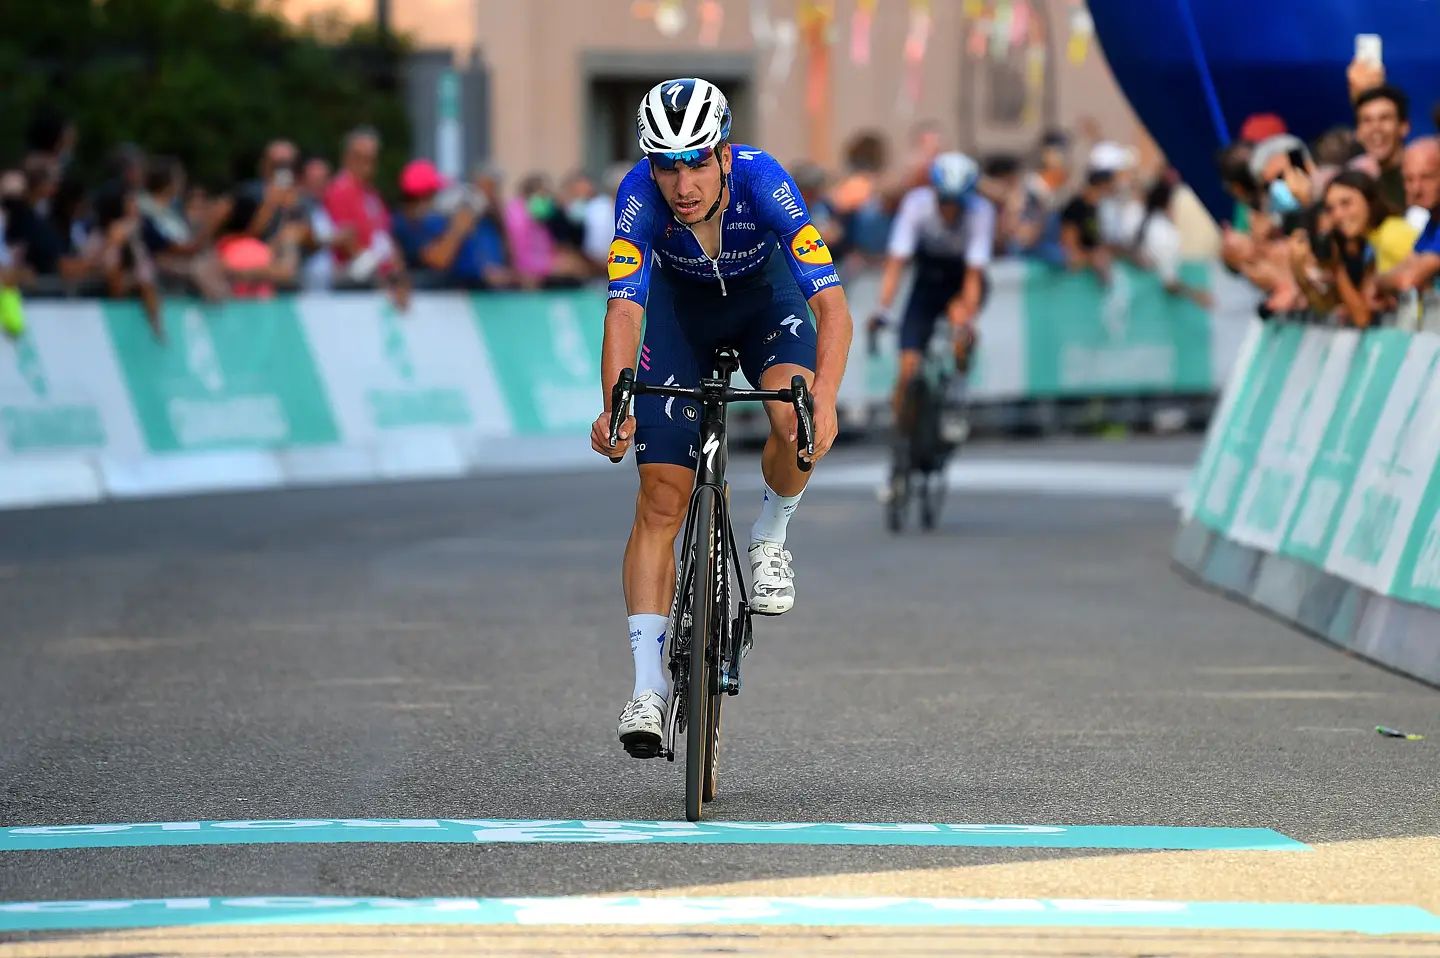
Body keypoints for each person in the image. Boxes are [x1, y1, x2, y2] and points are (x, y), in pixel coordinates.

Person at [588, 78, 852, 757]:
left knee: (795, 416)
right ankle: (648, 688)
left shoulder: (767, 181)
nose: (682, 183)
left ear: (724, 155)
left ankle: (769, 536)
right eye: (666, 165)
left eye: (697, 161)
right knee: (659, 500)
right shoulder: (637, 199)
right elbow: (624, 308)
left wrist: (824, 393)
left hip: (767, 304)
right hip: (681, 319)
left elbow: (832, 307)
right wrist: (615, 400)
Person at [872, 152, 994, 426]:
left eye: (957, 202)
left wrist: (968, 319)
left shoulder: (981, 211)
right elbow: (896, 263)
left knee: (959, 322)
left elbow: (974, 275)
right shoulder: (916, 205)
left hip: (961, 278)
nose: (950, 209)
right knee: (907, 367)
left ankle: (957, 394)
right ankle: (902, 434)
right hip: (928, 278)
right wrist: (883, 308)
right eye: (944, 200)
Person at [1293, 170, 1415, 328]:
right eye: (1331, 208)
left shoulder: (1392, 234)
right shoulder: (1373, 244)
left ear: (1369, 198)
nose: (1338, 215)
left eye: (1346, 203)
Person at [1134, 177, 1213, 307]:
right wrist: (1195, 294)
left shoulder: (1149, 225)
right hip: (1156, 308)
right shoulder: (1163, 233)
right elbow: (1168, 281)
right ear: (1167, 204)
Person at [1379, 138, 1440, 294]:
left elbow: (1408, 279)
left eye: (1426, 177)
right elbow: (1407, 263)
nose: (1416, 189)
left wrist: (1378, 282)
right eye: (1409, 179)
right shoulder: (1433, 222)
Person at [1351, 85, 1410, 212]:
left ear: (1404, 127)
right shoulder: (1360, 189)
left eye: (1385, 118)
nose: (1375, 128)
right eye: (1367, 120)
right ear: (1358, 133)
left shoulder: (1424, 181)